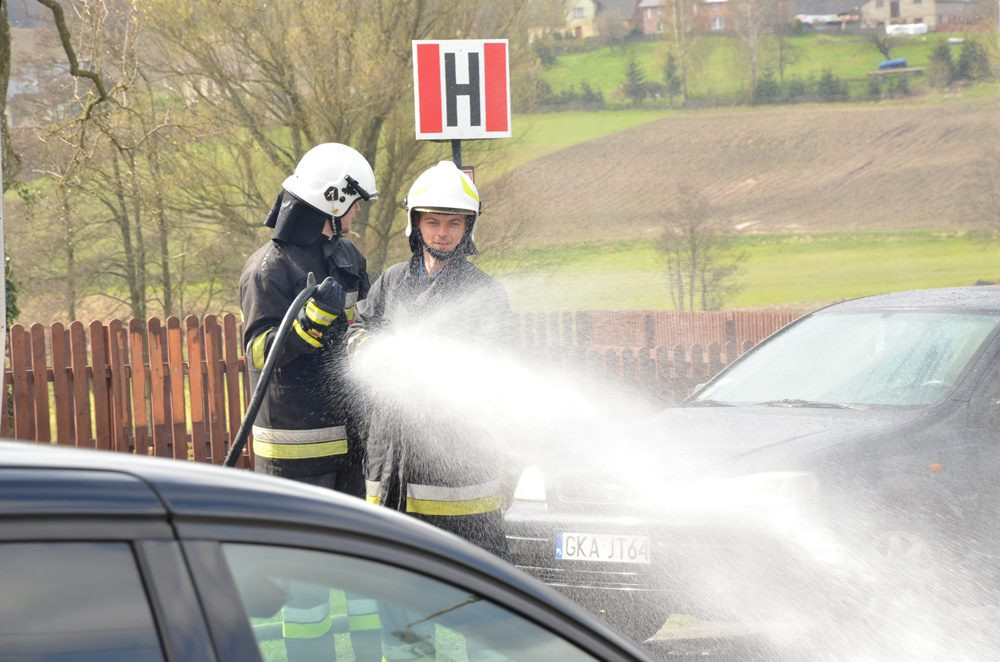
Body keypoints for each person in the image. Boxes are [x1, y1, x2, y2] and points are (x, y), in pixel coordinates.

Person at [346, 159, 513, 661]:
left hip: (458, 483)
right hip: (392, 473)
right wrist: (366, 353)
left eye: (454, 223)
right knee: (400, 597)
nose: (443, 233)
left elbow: (497, 374)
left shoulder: (485, 293)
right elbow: (360, 332)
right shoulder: (392, 282)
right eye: (434, 221)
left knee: (469, 599)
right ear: (415, 224)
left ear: (468, 229)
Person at [240, 142, 380, 661]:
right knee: (307, 588)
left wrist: (361, 335)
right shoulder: (267, 269)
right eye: (355, 200)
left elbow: (354, 322)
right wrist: (309, 324)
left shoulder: (344, 258)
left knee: (366, 573)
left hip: (349, 443)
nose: (359, 211)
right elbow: (259, 352)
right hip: (295, 451)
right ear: (333, 199)